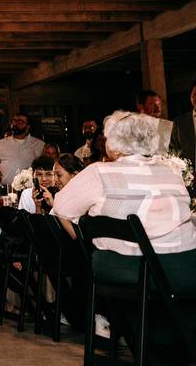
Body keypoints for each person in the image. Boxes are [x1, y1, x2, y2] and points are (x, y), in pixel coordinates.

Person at [52, 111, 196, 363]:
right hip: (186, 269)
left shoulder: (100, 173)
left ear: (114, 144)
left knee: (105, 263)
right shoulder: (171, 172)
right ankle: (167, 347)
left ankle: (147, 347)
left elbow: (62, 207)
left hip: (134, 272)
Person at [0, 113, 45, 187]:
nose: (15, 124)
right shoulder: (2, 143)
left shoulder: (39, 144)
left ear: (28, 126)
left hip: (30, 189)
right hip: (6, 188)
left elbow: (47, 164)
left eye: (20, 122)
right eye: (14, 121)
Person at [170, 79, 196, 166]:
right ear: (190, 96)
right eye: (195, 94)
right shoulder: (179, 122)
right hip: (188, 175)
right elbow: (173, 150)